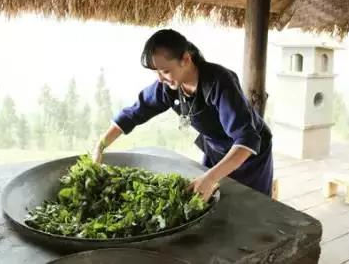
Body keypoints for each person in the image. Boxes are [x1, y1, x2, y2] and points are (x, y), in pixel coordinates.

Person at [93, 29, 273, 201]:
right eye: (156, 72)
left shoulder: (220, 81)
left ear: (185, 59)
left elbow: (246, 139)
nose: (160, 79)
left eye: (165, 71)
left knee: (248, 204)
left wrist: (210, 178)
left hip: (249, 155)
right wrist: (100, 146)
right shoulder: (168, 87)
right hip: (216, 149)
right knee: (212, 200)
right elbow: (133, 113)